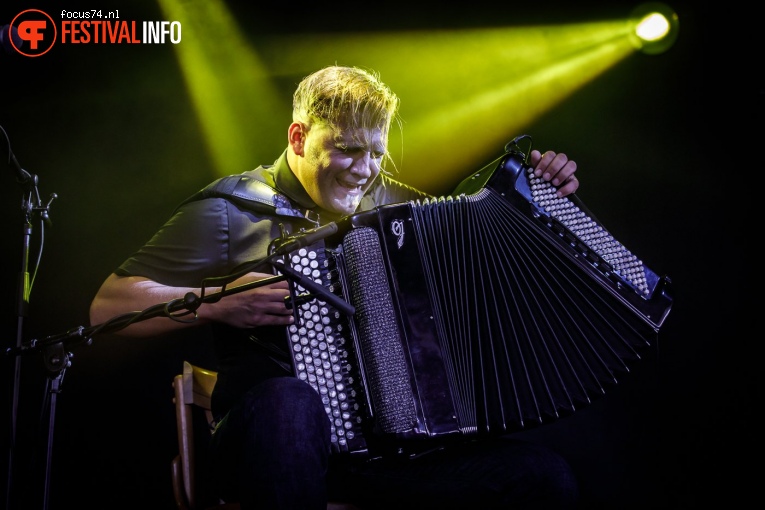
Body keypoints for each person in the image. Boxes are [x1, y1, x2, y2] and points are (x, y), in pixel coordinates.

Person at [90, 65, 581, 509]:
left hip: (381, 461)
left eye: (376, 154)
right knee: (291, 402)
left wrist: (532, 195)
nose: (364, 170)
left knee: (544, 476)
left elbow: (472, 235)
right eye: (347, 149)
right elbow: (108, 306)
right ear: (299, 137)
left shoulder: (389, 207)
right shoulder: (230, 210)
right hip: (266, 447)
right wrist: (212, 304)